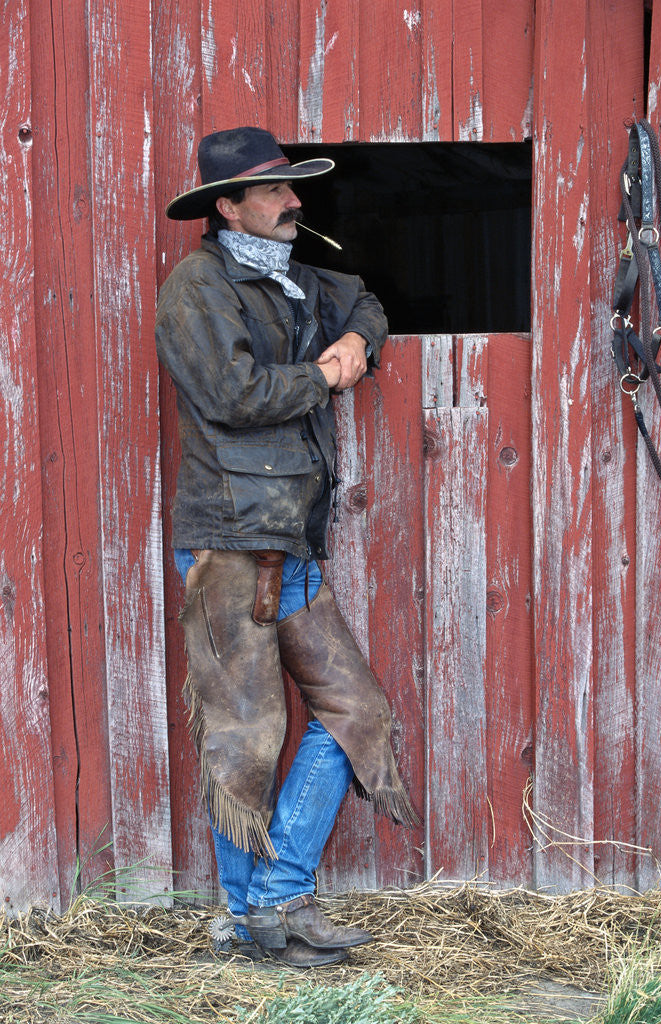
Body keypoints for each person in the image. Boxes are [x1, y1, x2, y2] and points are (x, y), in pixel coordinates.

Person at [156, 127, 417, 968]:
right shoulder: (198, 286)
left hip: (289, 539)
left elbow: (363, 300)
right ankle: (255, 920)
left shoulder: (296, 278)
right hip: (229, 541)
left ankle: (271, 900)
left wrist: (358, 342)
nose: (293, 202)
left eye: (291, 188)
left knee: (356, 710)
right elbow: (231, 395)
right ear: (228, 208)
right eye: (273, 191)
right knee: (244, 738)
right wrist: (326, 377)